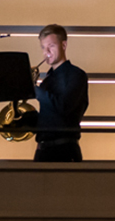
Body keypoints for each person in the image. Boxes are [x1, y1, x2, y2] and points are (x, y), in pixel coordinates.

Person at [33, 24, 89, 162]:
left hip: (65, 150)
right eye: (43, 47)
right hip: (42, 151)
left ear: (63, 45)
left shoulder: (77, 75)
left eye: (51, 46)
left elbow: (64, 107)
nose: (47, 52)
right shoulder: (46, 81)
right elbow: (49, 119)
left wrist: (34, 90)